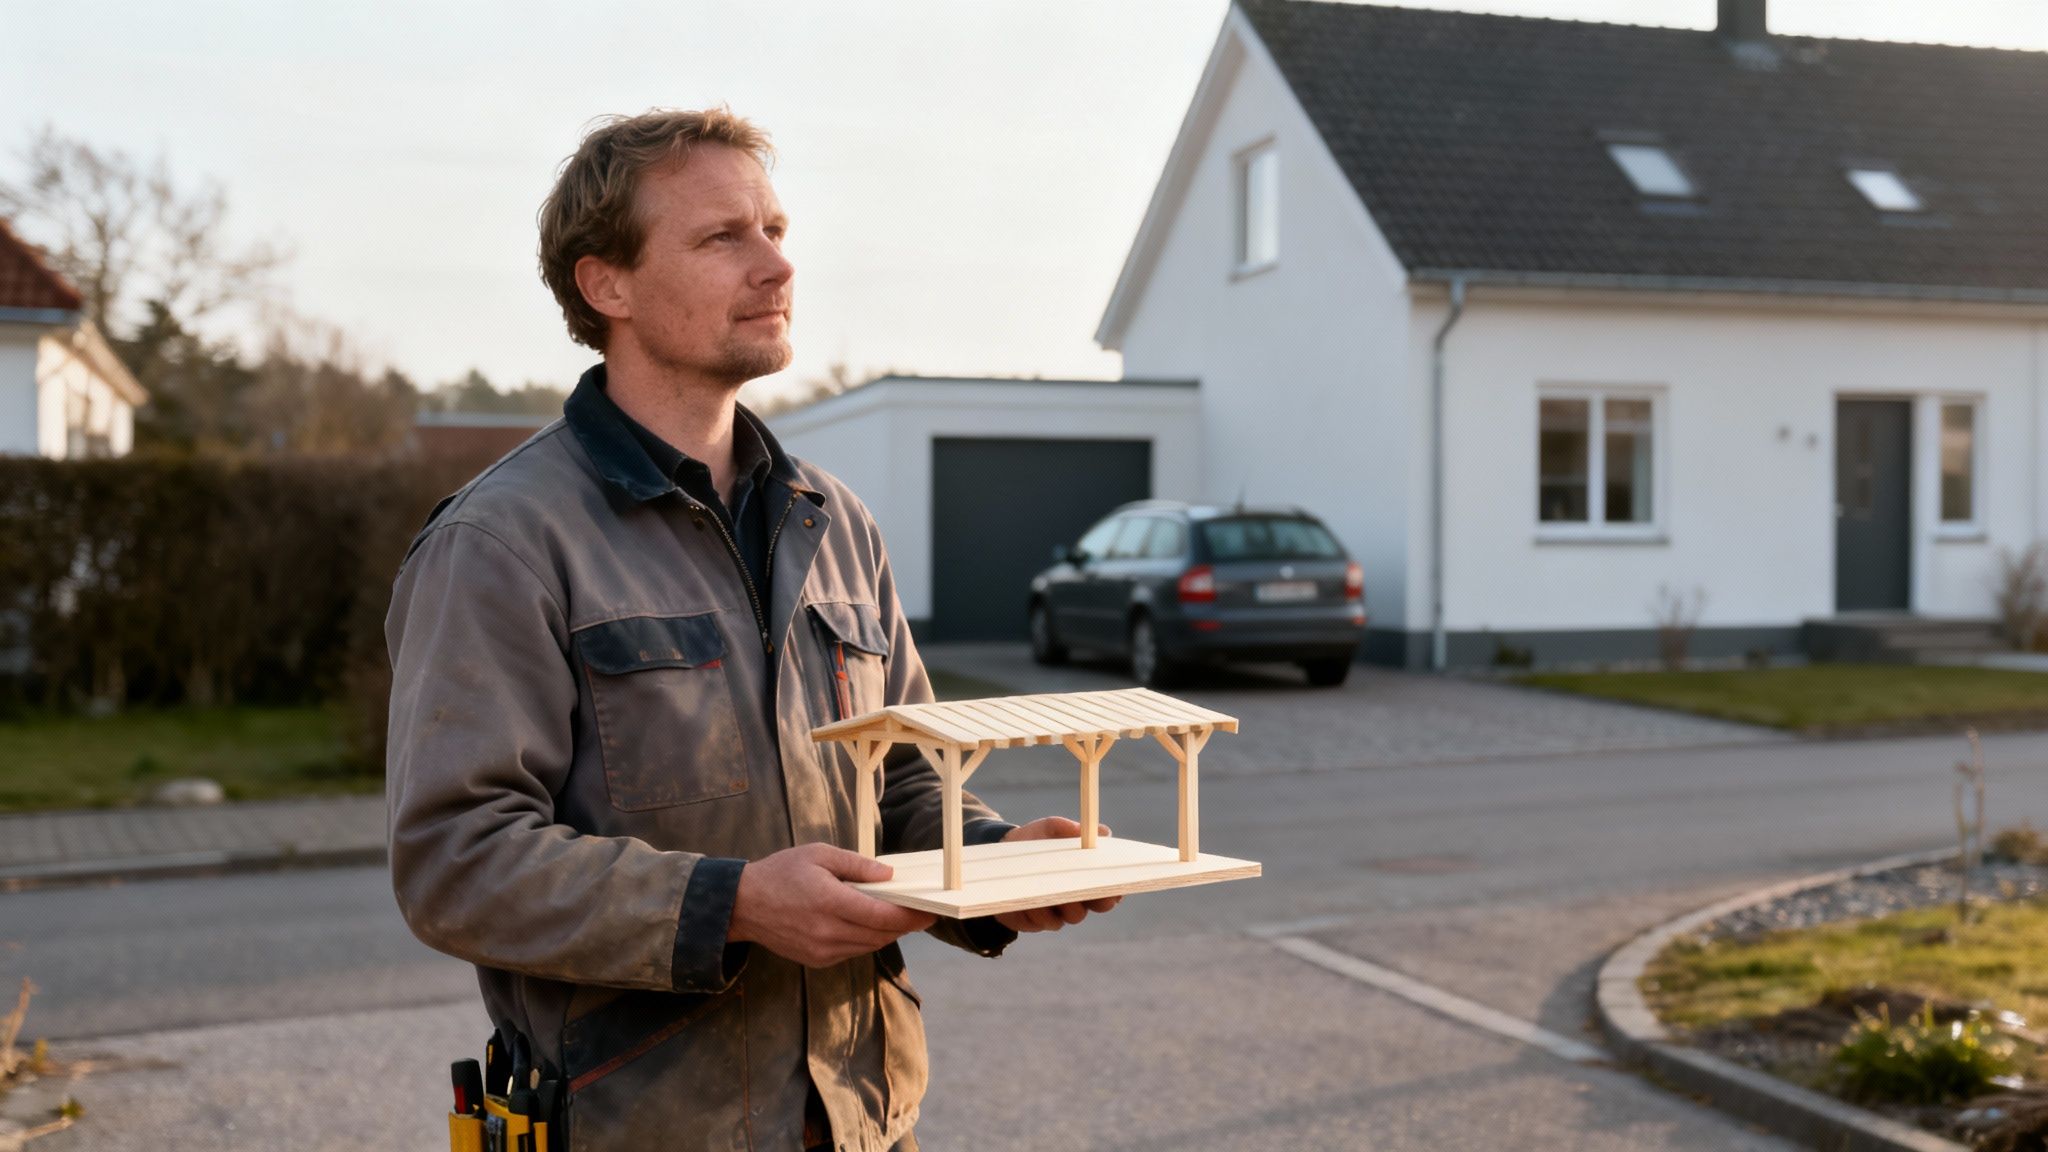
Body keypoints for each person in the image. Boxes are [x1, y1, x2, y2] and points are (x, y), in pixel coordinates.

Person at [383, 107, 1117, 1152]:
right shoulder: (501, 543)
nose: (776, 266)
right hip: (638, 1129)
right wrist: (731, 905)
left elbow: (900, 781)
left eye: (775, 230)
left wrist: (992, 867)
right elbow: (457, 861)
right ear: (608, 286)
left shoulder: (834, 521)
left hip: (862, 1122)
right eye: (723, 237)